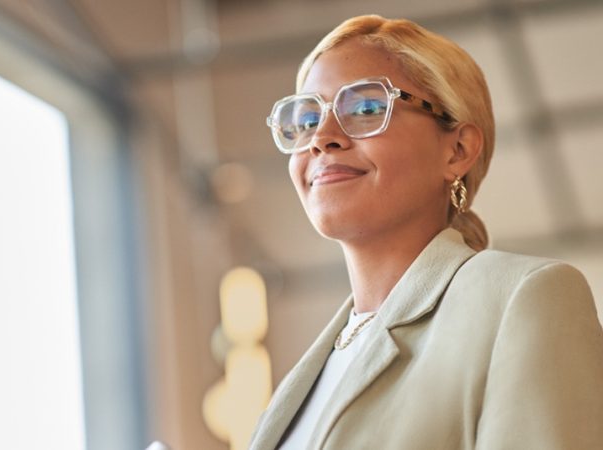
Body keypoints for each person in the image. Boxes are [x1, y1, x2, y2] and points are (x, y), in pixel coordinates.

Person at [251, 14, 603, 450]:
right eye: (305, 119)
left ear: (457, 151)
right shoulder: (302, 379)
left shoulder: (524, 297)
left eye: (365, 108)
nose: (321, 138)